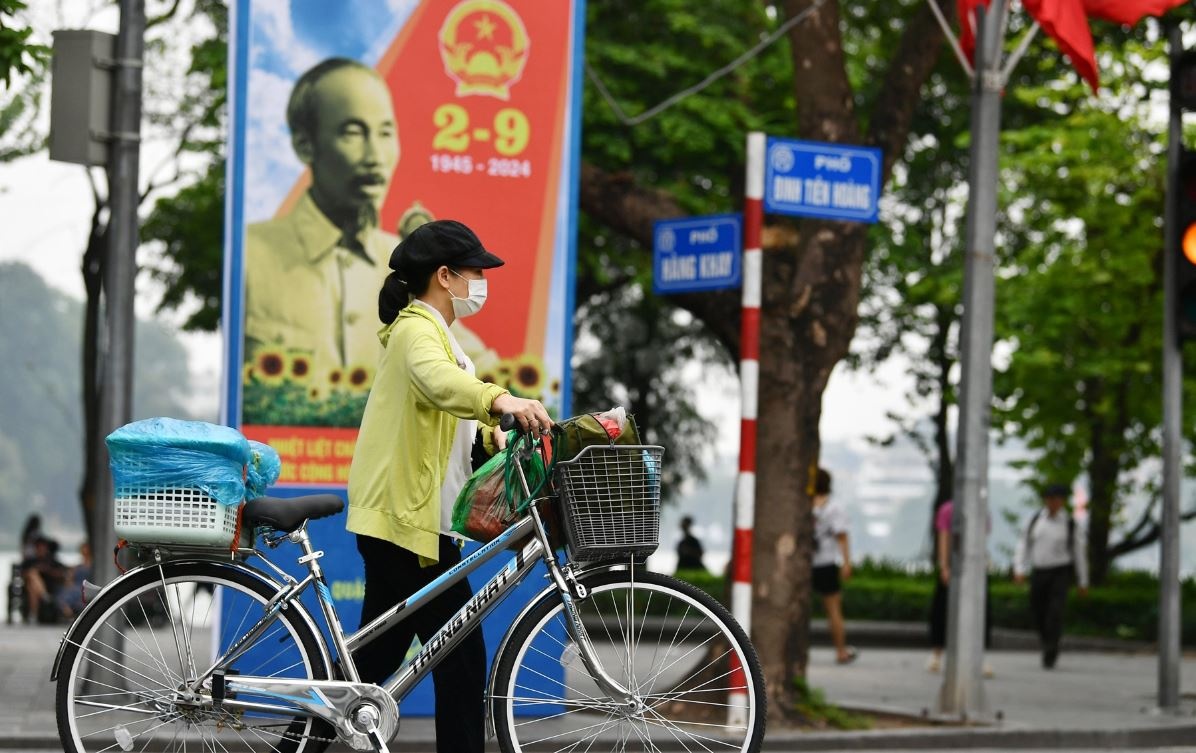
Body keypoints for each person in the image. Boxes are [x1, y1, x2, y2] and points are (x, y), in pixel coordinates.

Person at [346, 219, 552, 753]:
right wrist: (501, 399)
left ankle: (301, 738)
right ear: (445, 276)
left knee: (370, 667)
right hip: (408, 526)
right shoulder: (418, 329)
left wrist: (507, 437)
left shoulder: (438, 336)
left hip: (412, 523)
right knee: (460, 662)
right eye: (475, 271)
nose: (481, 281)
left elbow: (460, 429)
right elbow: (442, 386)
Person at [244, 58, 495, 395]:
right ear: (306, 144)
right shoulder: (251, 256)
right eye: (353, 132)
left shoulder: (408, 265)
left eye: (386, 132)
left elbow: (471, 365)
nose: (375, 154)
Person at [1013, 483, 1089, 669]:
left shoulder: (1070, 524)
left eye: (1056, 499)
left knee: (1055, 612)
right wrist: (1019, 568)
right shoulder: (1035, 520)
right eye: (1050, 499)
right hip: (1039, 571)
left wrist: (1082, 580)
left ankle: (1051, 647)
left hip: (1060, 571)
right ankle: (1046, 640)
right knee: (1038, 610)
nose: (1053, 502)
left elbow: (1079, 553)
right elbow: (1023, 545)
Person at [926, 499, 993, 676]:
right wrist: (944, 565)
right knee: (942, 610)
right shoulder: (948, 509)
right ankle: (937, 654)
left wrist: (984, 561)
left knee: (980, 612)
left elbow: (982, 537)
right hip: (953, 564)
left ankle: (979, 657)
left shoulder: (981, 508)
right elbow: (944, 536)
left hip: (974, 566)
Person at [811, 468, 857, 664]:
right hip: (826, 563)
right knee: (834, 611)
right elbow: (842, 537)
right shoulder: (834, 508)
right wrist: (846, 562)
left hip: (805, 564)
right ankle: (841, 651)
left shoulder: (803, 505)